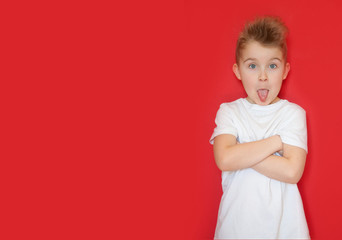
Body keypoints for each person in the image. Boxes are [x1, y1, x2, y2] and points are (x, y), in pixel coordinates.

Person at [209, 16, 310, 239]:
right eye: (253, 66)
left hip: (285, 231)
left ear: (285, 70)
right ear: (237, 70)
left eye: (272, 66)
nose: (263, 77)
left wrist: (241, 151)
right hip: (235, 230)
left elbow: (292, 171)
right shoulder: (229, 111)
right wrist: (275, 142)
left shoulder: (293, 114)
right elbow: (224, 159)